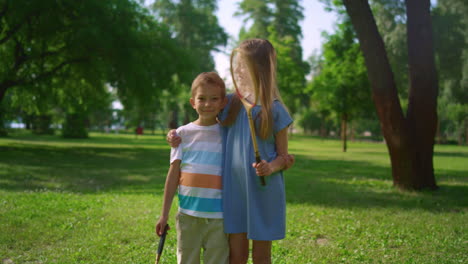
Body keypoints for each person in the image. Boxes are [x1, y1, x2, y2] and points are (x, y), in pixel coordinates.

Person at [168, 39, 294, 264]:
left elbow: (285, 158)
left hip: (263, 191)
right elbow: (203, 117)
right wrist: (176, 134)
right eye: (236, 66)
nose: (237, 71)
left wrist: (271, 166)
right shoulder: (231, 104)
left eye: (243, 66)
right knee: (237, 254)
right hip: (234, 189)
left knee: (261, 255)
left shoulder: (274, 110)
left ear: (260, 70)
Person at [155, 72, 229, 264]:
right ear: (192, 102)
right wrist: (164, 215)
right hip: (188, 214)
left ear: (223, 102)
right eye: (202, 98)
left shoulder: (229, 134)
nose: (207, 104)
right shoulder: (182, 134)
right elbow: (173, 176)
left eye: (214, 99)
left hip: (219, 217)